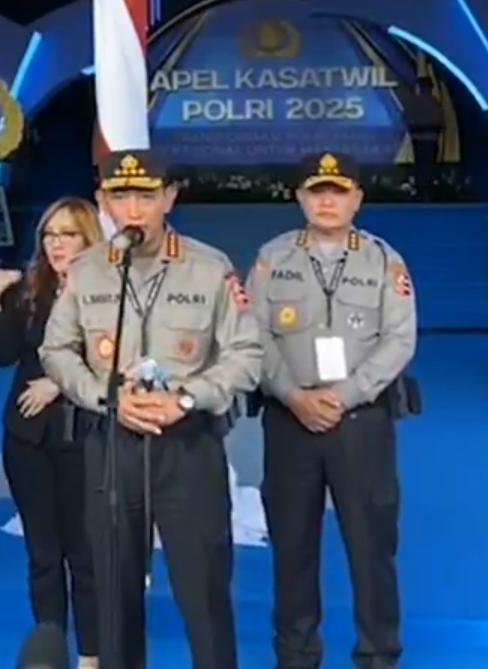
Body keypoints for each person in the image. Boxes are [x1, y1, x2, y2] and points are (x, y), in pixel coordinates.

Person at [39, 149, 262, 669]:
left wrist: (187, 397)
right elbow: (56, 350)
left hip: (188, 446)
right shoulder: (88, 271)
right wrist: (105, 396)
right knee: (114, 595)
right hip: (111, 445)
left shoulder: (210, 268)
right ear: (103, 201)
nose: (134, 210)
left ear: (169, 197)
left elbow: (247, 355)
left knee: (203, 591)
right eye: (121, 196)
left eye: (145, 196)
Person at [246, 152, 417, 669]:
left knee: (372, 546)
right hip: (289, 418)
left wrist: (344, 396)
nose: (326, 201)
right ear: (299, 198)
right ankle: (296, 655)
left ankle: (378, 654)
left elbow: (399, 340)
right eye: (316, 191)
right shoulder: (271, 259)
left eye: (338, 192)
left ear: (357, 200)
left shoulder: (385, 261)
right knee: (292, 547)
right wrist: (291, 394)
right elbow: (252, 335)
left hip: (360, 421)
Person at [0, 197, 103, 668]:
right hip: (27, 438)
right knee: (43, 553)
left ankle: (91, 655)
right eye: (50, 235)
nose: (57, 244)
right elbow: (3, 355)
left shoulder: (112, 290)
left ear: (89, 238)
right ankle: (51, 652)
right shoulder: (33, 288)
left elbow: (123, 357)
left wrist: (61, 381)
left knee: (85, 553)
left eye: (68, 234)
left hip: (84, 435)